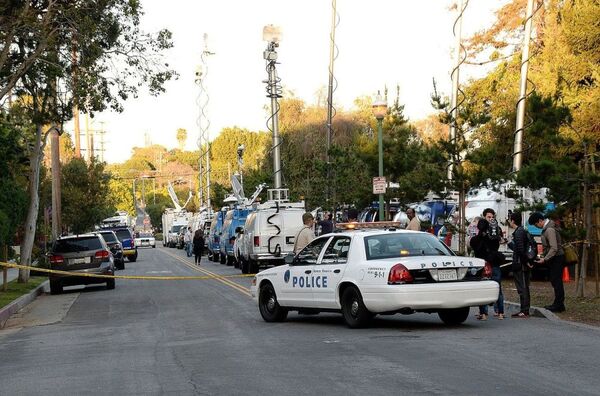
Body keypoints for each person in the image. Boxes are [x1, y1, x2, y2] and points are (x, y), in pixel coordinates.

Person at [470, 208, 505, 320]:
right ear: (484, 217)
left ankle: (494, 312)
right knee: (495, 286)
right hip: (489, 262)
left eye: (492, 217)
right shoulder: (488, 232)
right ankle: (494, 312)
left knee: (491, 287)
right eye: (489, 217)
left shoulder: (492, 231)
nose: (491, 219)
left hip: (487, 262)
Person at [529, 212, 566, 312]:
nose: (537, 227)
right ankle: (558, 303)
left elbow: (554, 248)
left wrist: (545, 259)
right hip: (554, 258)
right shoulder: (549, 228)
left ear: (540, 221)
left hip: (557, 258)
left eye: (536, 224)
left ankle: (559, 305)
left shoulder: (549, 229)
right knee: (555, 281)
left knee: (557, 281)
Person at [508, 212, 532, 318]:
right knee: (524, 287)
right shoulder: (522, 231)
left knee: (523, 287)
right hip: (522, 263)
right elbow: (518, 248)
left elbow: (521, 250)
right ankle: (524, 309)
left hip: (520, 264)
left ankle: (524, 310)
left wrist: (525, 261)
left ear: (513, 221)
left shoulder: (518, 232)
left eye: (510, 219)